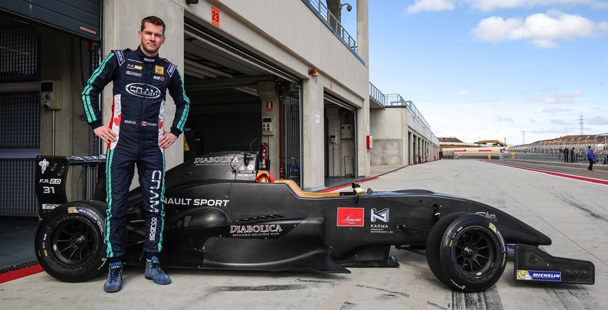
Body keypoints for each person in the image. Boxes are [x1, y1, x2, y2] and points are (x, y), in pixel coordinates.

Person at [82, 16, 190, 293]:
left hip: (153, 147)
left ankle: (153, 260)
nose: (153, 38)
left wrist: (175, 132)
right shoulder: (119, 60)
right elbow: (89, 89)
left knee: (154, 206)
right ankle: (115, 264)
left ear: (163, 39)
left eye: (158, 35)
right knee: (116, 207)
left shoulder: (169, 70)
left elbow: (184, 103)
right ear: (140, 33)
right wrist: (97, 125)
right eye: (149, 33)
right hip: (121, 143)